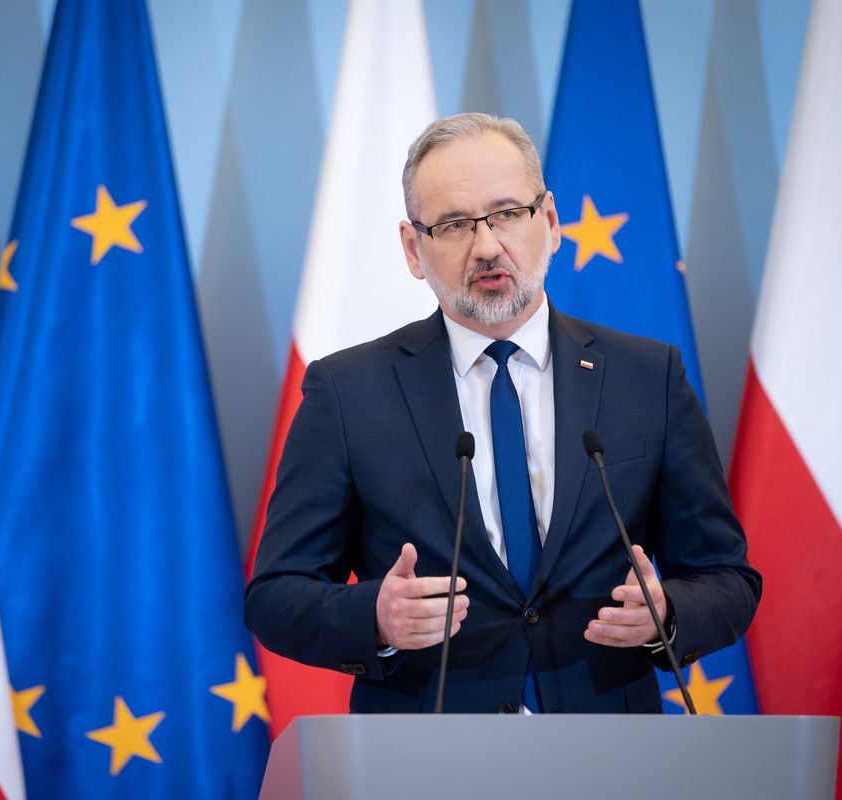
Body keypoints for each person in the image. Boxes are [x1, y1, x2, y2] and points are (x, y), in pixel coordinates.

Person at [244, 112, 760, 714]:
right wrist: (376, 619)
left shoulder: (647, 378)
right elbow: (276, 595)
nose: (487, 246)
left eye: (508, 214)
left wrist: (667, 613)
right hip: (429, 758)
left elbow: (727, 578)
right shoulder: (348, 391)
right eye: (455, 224)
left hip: (607, 751)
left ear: (548, 221)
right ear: (414, 249)